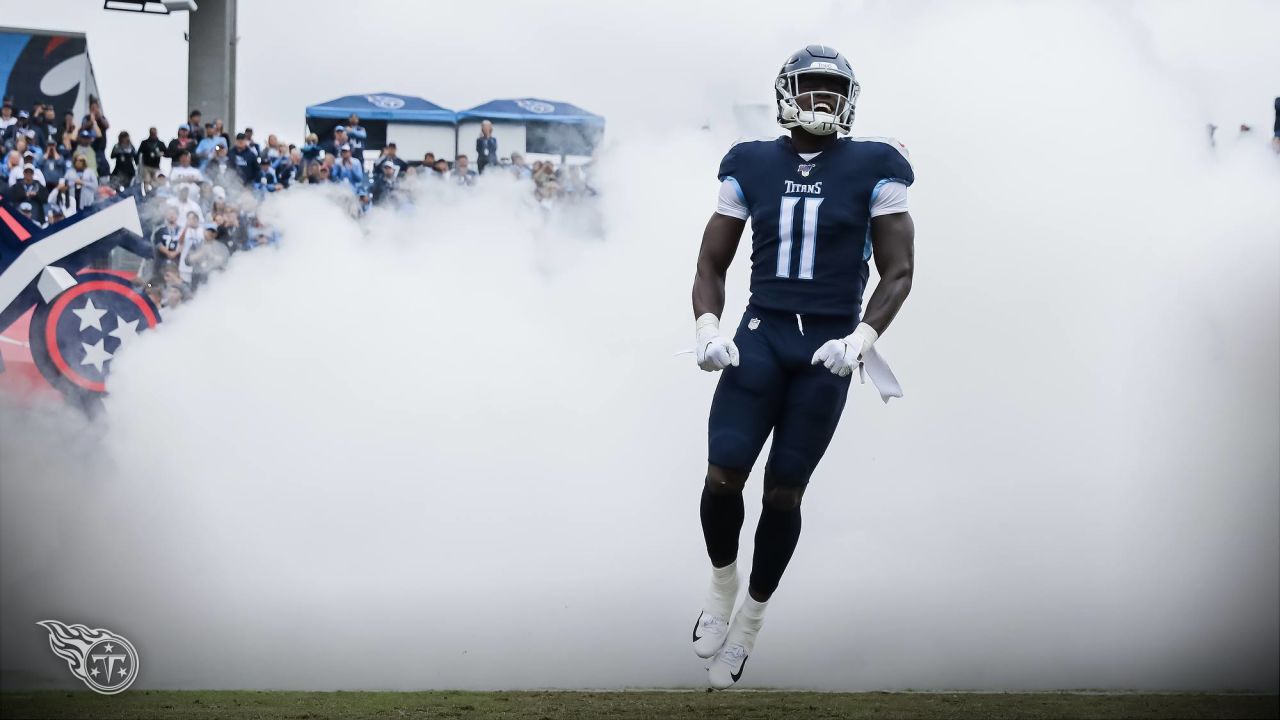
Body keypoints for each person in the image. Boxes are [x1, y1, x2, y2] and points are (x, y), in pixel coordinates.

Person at [688, 45, 915, 689]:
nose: (819, 100)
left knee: (783, 489)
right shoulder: (751, 161)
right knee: (721, 474)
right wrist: (707, 327)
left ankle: (750, 626)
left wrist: (862, 339)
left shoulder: (877, 163)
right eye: (808, 87)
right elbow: (711, 262)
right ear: (785, 92)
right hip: (760, 334)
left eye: (829, 89)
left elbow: (899, 270)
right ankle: (721, 585)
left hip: (827, 349)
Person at [138, 127, 166, 191]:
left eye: (154, 133)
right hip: (146, 166)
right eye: (152, 133)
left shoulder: (160, 143)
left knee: (155, 183)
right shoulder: (144, 143)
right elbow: (139, 153)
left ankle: (155, 195)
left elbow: (166, 153)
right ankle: (147, 195)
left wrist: (161, 153)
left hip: (156, 167)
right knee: (147, 181)